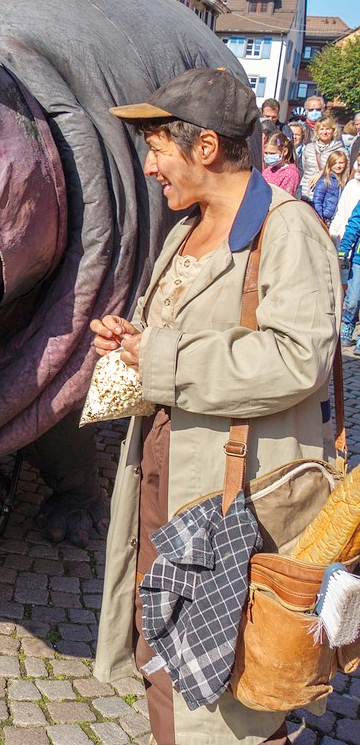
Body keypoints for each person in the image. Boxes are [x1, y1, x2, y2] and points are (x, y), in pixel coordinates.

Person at [91, 67, 341, 745]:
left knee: (228, 700)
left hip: (233, 497)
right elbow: (184, 335)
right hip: (166, 474)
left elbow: (298, 357)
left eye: (157, 148)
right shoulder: (187, 229)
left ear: (205, 147)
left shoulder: (289, 232)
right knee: (166, 661)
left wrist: (165, 357)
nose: (148, 167)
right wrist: (135, 344)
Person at [300, 117, 344, 203]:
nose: (324, 132)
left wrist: (322, 173)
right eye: (321, 129)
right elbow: (303, 168)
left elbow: (343, 174)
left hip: (325, 196)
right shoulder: (309, 148)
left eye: (328, 129)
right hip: (305, 193)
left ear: (333, 131)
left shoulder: (341, 151)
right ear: (317, 131)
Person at [338, 200, 360, 355]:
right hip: (359, 261)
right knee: (353, 298)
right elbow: (354, 224)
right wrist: (345, 247)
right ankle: (348, 323)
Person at [313, 149, 350, 224]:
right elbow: (317, 200)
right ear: (329, 164)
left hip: (337, 219)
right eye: (334, 163)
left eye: (341, 163)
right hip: (325, 218)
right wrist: (320, 218)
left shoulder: (345, 181)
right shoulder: (325, 180)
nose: (338, 166)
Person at [330, 152, 360, 245]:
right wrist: (332, 233)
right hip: (343, 240)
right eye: (359, 165)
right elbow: (341, 212)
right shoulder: (351, 185)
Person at [261, 131, 299, 195]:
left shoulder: (290, 174)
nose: (268, 156)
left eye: (272, 153)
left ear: (284, 152)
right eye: (266, 153)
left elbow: (285, 197)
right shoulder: (268, 171)